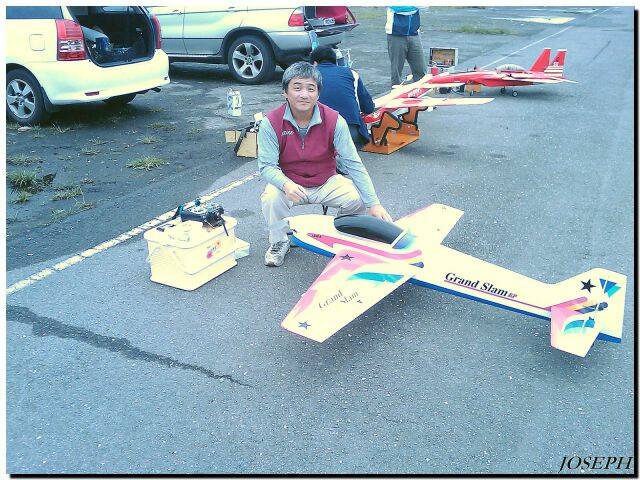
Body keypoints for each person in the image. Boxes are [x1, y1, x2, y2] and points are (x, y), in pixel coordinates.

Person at [257, 62, 392, 267]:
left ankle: (342, 233)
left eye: (311, 88)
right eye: (297, 87)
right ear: (285, 92)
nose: (304, 94)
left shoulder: (335, 120)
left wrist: (374, 204)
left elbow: (353, 164)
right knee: (271, 198)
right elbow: (266, 166)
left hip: (326, 181)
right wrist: (285, 184)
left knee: (358, 198)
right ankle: (279, 240)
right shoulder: (271, 122)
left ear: (318, 93)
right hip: (290, 183)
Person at [309, 46, 375, 149]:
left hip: (317, 134)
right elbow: (368, 108)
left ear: (314, 63)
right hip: (350, 132)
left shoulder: (306, 77)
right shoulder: (351, 73)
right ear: (335, 61)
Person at [386, 6, 427, 87]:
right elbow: (400, 9)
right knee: (396, 70)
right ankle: (396, 90)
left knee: (421, 69)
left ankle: (421, 90)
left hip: (414, 34)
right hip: (396, 34)